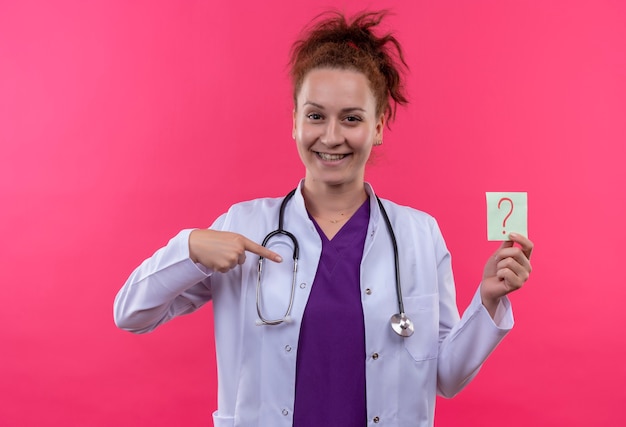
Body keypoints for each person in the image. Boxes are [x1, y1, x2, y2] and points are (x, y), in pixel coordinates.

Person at [114, 10, 533, 427]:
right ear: (294, 122)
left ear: (380, 124)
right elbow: (131, 314)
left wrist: (488, 300)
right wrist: (189, 249)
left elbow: (446, 376)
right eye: (315, 115)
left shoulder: (419, 235)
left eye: (352, 118)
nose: (331, 137)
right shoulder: (243, 227)